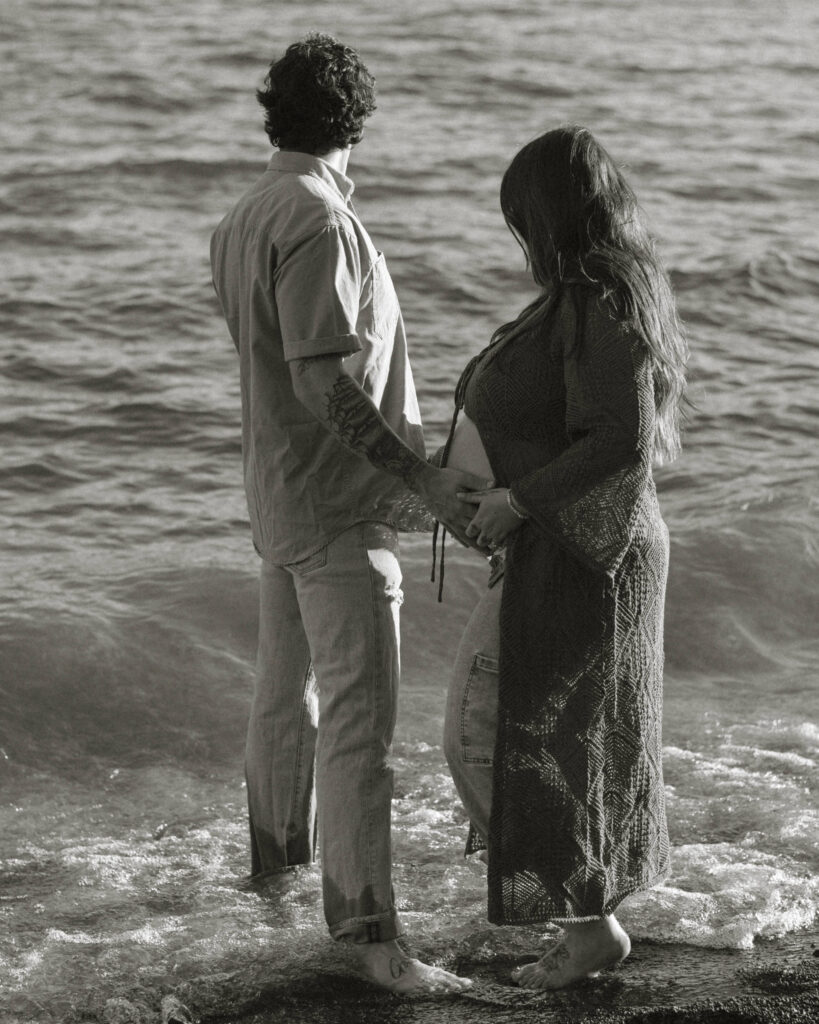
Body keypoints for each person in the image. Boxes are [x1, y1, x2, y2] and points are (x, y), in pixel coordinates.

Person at [209, 34, 483, 996]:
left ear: (272, 113)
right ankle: (370, 937)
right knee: (358, 727)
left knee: (284, 702)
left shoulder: (243, 215)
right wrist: (421, 478)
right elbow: (320, 378)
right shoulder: (320, 219)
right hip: (334, 503)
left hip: (277, 491)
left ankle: (274, 884)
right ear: (356, 121)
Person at [441, 125, 688, 990]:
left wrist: (516, 501)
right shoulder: (583, 297)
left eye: (519, 216)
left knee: (480, 734)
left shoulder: (599, 297)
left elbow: (619, 438)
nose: (517, 236)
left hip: (588, 556)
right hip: (566, 549)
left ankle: (589, 926)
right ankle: (586, 919)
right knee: (542, 738)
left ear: (544, 214)